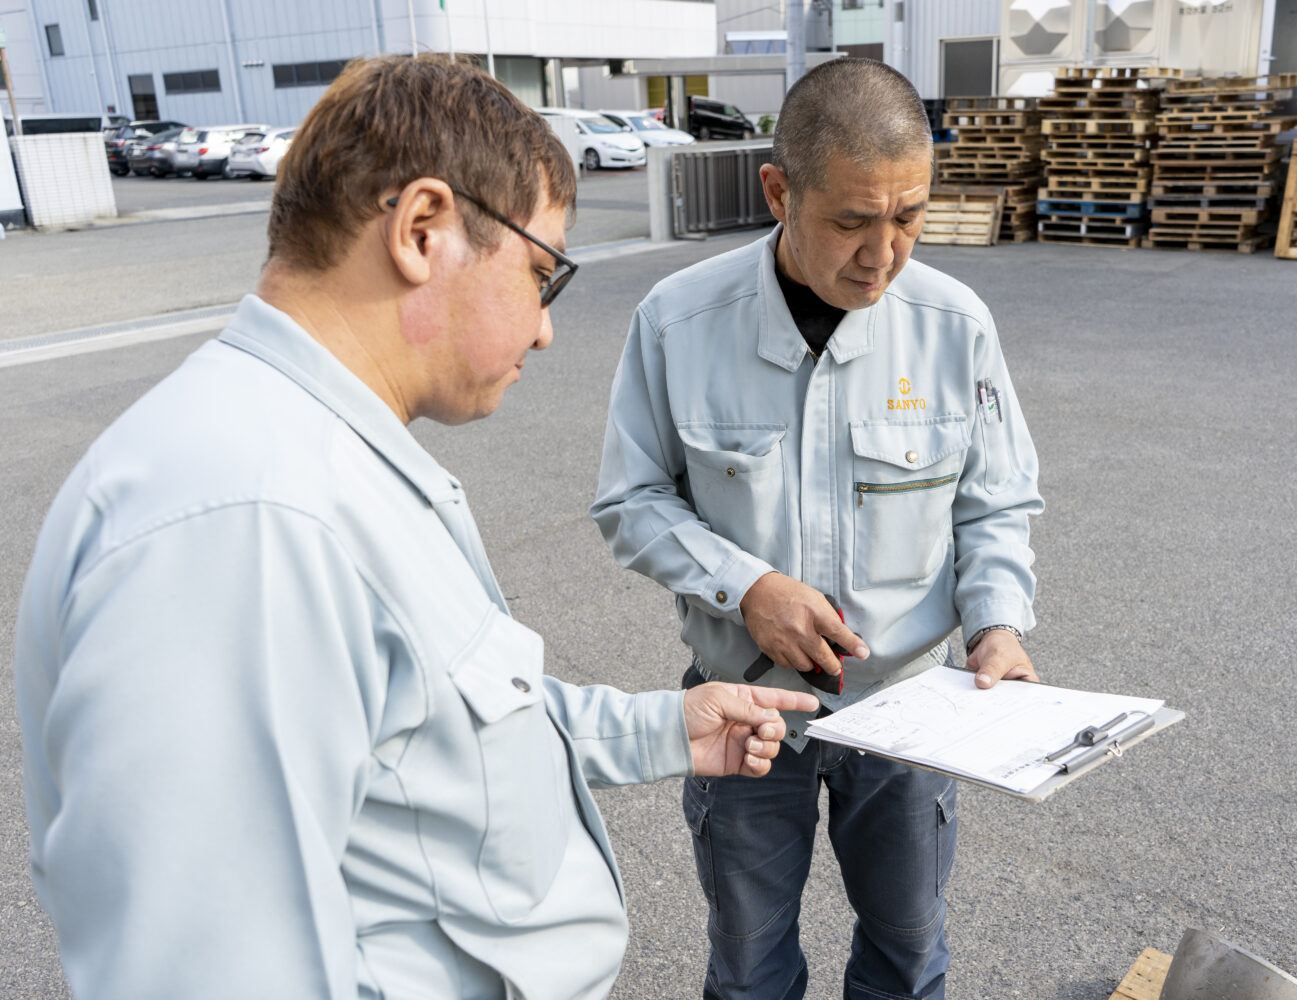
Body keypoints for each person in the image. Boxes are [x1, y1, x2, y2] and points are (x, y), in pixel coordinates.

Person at [13, 54, 817, 1000]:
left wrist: (663, 728)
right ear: (422, 230)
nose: (548, 328)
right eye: (541, 275)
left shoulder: (309, 461)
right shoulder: (252, 521)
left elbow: (434, 733)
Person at [591, 58, 1045, 1000]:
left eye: (909, 217)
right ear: (777, 192)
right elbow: (630, 500)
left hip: (910, 714)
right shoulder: (678, 324)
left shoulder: (954, 326)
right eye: (851, 221)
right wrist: (746, 588)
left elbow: (994, 501)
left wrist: (998, 623)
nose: (884, 254)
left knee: (908, 955)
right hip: (748, 714)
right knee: (751, 966)